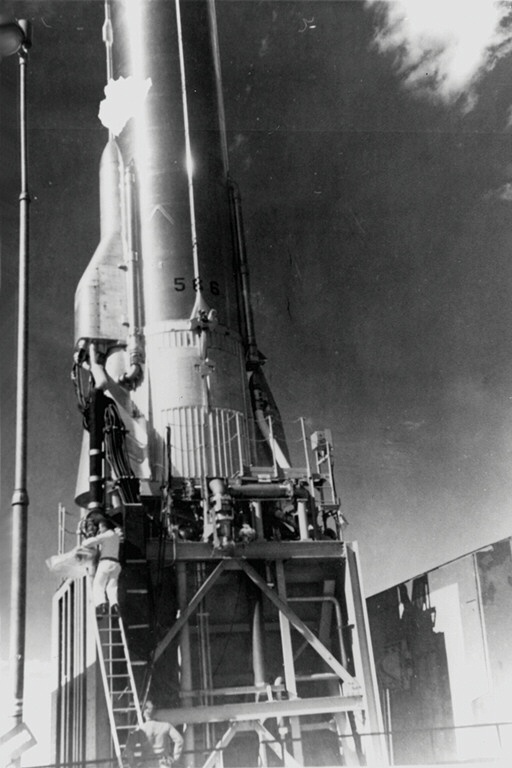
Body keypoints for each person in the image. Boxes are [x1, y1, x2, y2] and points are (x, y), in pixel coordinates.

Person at [77, 516, 123, 618]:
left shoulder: (105, 535)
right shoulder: (115, 536)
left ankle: (102, 605)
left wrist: (84, 542)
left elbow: (90, 542)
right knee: (111, 587)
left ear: (103, 526)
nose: (99, 530)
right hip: (116, 564)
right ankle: (115, 605)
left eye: (100, 527)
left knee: (98, 585)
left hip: (106, 563)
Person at [125, 701, 184, 767]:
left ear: (144, 714)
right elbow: (179, 740)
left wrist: (133, 764)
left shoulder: (140, 730)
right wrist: (175, 759)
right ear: (155, 713)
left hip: (146, 764)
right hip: (163, 763)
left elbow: (128, 747)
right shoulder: (166, 726)